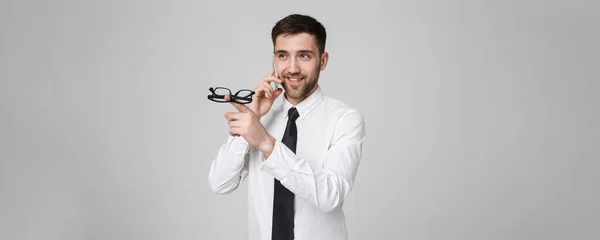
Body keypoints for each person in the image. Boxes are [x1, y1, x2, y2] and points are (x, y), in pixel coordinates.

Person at [208, 13, 367, 240]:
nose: (292, 68)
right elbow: (220, 183)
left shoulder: (344, 119)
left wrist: (267, 143)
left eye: (304, 56)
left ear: (323, 60)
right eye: (283, 56)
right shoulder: (259, 119)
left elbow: (330, 196)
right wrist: (252, 117)